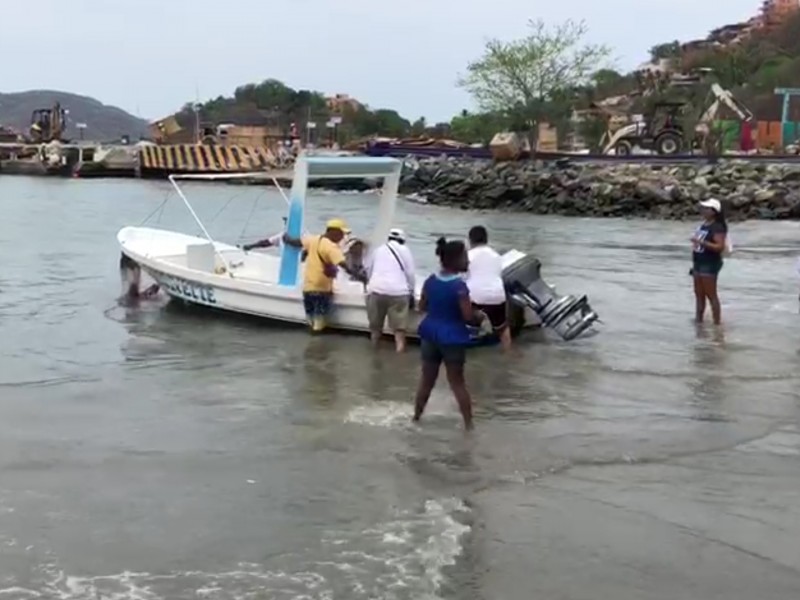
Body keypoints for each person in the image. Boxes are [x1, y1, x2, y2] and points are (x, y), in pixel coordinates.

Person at [413, 237, 487, 430]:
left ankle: (416, 418)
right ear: (455, 260)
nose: (468, 262)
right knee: (457, 382)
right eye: (465, 257)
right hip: (452, 337)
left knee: (426, 380)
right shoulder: (459, 287)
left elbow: (421, 307)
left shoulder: (430, 281)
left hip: (430, 334)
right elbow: (467, 316)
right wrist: (479, 316)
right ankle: (469, 426)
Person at [283, 218, 367, 332]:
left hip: (308, 288)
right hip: (322, 290)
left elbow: (296, 242)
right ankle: (317, 344)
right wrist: (359, 276)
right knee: (320, 323)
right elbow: (343, 265)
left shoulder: (313, 240)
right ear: (334, 232)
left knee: (310, 319)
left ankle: (311, 341)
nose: (343, 237)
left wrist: (286, 238)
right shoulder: (331, 247)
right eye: (342, 234)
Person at [364, 228, 416, 352]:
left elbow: (368, 270)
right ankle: (399, 352)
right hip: (398, 293)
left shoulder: (377, 250)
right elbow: (410, 274)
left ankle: (374, 351)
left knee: (375, 329)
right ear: (402, 240)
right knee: (399, 331)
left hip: (376, 291)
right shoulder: (405, 250)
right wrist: (411, 292)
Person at [465, 225, 511, 351]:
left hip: (476, 297)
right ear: (486, 239)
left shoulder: (468, 255)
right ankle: (509, 353)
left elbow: (459, 278)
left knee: (468, 325)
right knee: (502, 328)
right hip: (497, 296)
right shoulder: (496, 256)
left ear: (470, 240)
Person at [691, 198, 728, 325]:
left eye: (706, 208)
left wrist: (701, 242)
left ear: (714, 212)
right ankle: (698, 321)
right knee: (699, 295)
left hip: (709, 263)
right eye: (703, 208)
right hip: (698, 263)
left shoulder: (717, 227)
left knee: (711, 295)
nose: (703, 210)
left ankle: (717, 324)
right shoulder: (704, 225)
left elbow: (719, 247)